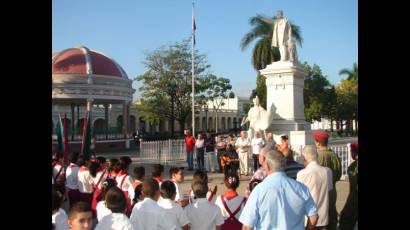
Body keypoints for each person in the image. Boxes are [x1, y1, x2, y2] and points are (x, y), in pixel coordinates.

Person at [239, 149, 319, 230]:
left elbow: (247, 226)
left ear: (267, 166)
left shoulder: (259, 190)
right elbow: (314, 216)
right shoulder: (301, 188)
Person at [297, 145, 333, 229]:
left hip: (308, 219)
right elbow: (330, 191)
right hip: (323, 217)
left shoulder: (302, 173)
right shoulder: (327, 171)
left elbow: (299, 196)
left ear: (304, 158)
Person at [313, 131, 342, 230]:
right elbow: (339, 174)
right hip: (332, 188)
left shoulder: (318, 156)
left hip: (320, 189)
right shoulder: (334, 155)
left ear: (317, 143)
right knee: (331, 213)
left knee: (320, 214)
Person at [338, 143, 358, 230]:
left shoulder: (352, 167)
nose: (351, 154)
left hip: (354, 199)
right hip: (353, 198)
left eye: (352, 152)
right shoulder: (352, 166)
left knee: (345, 221)